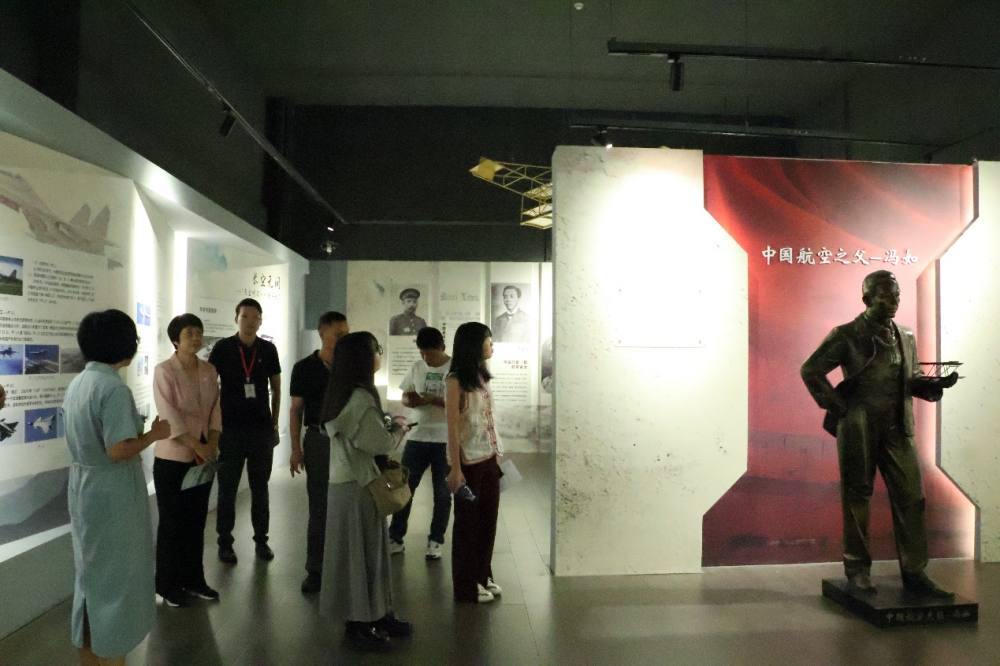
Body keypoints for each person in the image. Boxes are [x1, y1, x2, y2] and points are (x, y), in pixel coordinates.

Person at [801, 270, 959, 598]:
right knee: (857, 497)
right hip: (859, 425)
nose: (894, 301)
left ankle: (915, 572)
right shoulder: (845, 334)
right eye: (886, 295)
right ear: (867, 298)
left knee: (912, 497)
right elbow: (811, 370)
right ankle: (857, 569)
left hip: (897, 426)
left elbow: (909, 380)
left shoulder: (906, 335)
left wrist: (932, 386)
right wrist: (840, 407)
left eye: (897, 295)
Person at [62, 309, 170, 665]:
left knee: (89, 578)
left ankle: (89, 654)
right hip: (111, 493)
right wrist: (153, 435)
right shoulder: (112, 388)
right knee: (116, 578)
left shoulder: (79, 383)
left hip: (84, 487)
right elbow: (118, 449)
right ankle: (111, 654)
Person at [319, 332, 412, 650]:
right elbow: (380, 443)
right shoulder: (358, 398)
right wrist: (398, 428)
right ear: (363, 358)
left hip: (352, 484)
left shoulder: (342, 392)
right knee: (360, 556)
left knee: (370, 552)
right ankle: (360, 623)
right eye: (376, 350)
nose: (379, 355)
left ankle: (378, 613)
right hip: (356, 487)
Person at [152, 313, 222, 608]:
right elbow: (168, 415)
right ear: (175, 340)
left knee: (196, 520)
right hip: (173, 457)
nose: (196, 337)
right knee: (172, 523)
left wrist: (212, 443)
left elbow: (216, 410)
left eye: (198, 332)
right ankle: (167, 585)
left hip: (203, 457)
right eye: (189, 333)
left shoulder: (208, 370)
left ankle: (194, 579)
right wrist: (197, 445)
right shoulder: (165, 371)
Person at [209, 298, 282, 564]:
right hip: (230, 430)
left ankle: (261, 540)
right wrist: (212, 426)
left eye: (255, 317)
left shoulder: (268, 349)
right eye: (245, 317)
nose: (250, 322)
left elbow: (276, 388)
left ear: (261, 321)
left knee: (260, 488)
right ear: (236, 319)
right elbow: (211, 387)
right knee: (227, 489)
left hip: (261, 430)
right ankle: (225, 542)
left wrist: (275, 423)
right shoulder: (223, 348)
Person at [289, 311, 349, 594]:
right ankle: (315, 569)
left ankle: (345, 566)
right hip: (318, 439)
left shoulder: (351, 366)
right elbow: (295, 410)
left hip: (348, 440)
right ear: (322, 333)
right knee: (319, 506)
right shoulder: (304, 368)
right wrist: (295, 448)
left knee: (348, 504)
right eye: (339, 334)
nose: (343, 339)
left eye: (346, 334)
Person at [446, 322, 504, 603]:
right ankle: (466, 585)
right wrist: (455, 469)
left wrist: (498, 454)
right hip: (468, 461)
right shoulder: (455, 380)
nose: (492, 344)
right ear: (473, 344)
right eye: (488, 340)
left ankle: (482, 574)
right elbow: (453, 426)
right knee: (467, 525)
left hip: (489, 458)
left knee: (488, 521)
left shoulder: (482, 376)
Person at [389, 327, 452, 560]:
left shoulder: (454, 369)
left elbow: (460, 404)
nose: (426, 358)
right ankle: (395, 537)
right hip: (416, 437)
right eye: (422, 353)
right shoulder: (417, 367)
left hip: (444, 439)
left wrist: (433, 400)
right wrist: (411, 401)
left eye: (430, 354)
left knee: (442, 494)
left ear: (442, 348)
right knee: (404, 489)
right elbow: (405, 396)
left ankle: (436, 540)